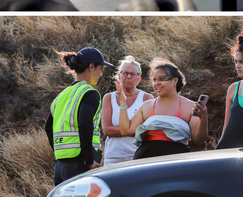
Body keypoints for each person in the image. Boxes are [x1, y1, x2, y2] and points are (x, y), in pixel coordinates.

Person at [44, 47, 113, 186]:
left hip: (61, 165)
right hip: (80, 164)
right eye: (100, 69)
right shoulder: (89, 93)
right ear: (91, 66)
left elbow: (48, 127)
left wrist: (59, 154)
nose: (100, 74)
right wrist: (89, 160)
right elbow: (84, 124)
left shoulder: (61, 96)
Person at [117, 58, 208, 159]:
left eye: (161, 79)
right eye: (154, 80)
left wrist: (203, 119)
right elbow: (126, 130)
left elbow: (199, 141)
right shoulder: (147, 106)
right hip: (145, 159)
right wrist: (123, 102)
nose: (157, 83)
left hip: (176, 160)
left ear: (175, 80)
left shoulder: (190, 107)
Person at [101, 56, 154, 165]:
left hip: (138, 157)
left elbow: (147, 131)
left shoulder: (146, 99)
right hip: (113, 158)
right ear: (119, 76)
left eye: (132, 74)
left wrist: (119, 130)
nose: (128, 76)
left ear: (138, 79)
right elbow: (106, 130)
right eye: (125, 73)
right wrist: (132, 130)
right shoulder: (108, 98)